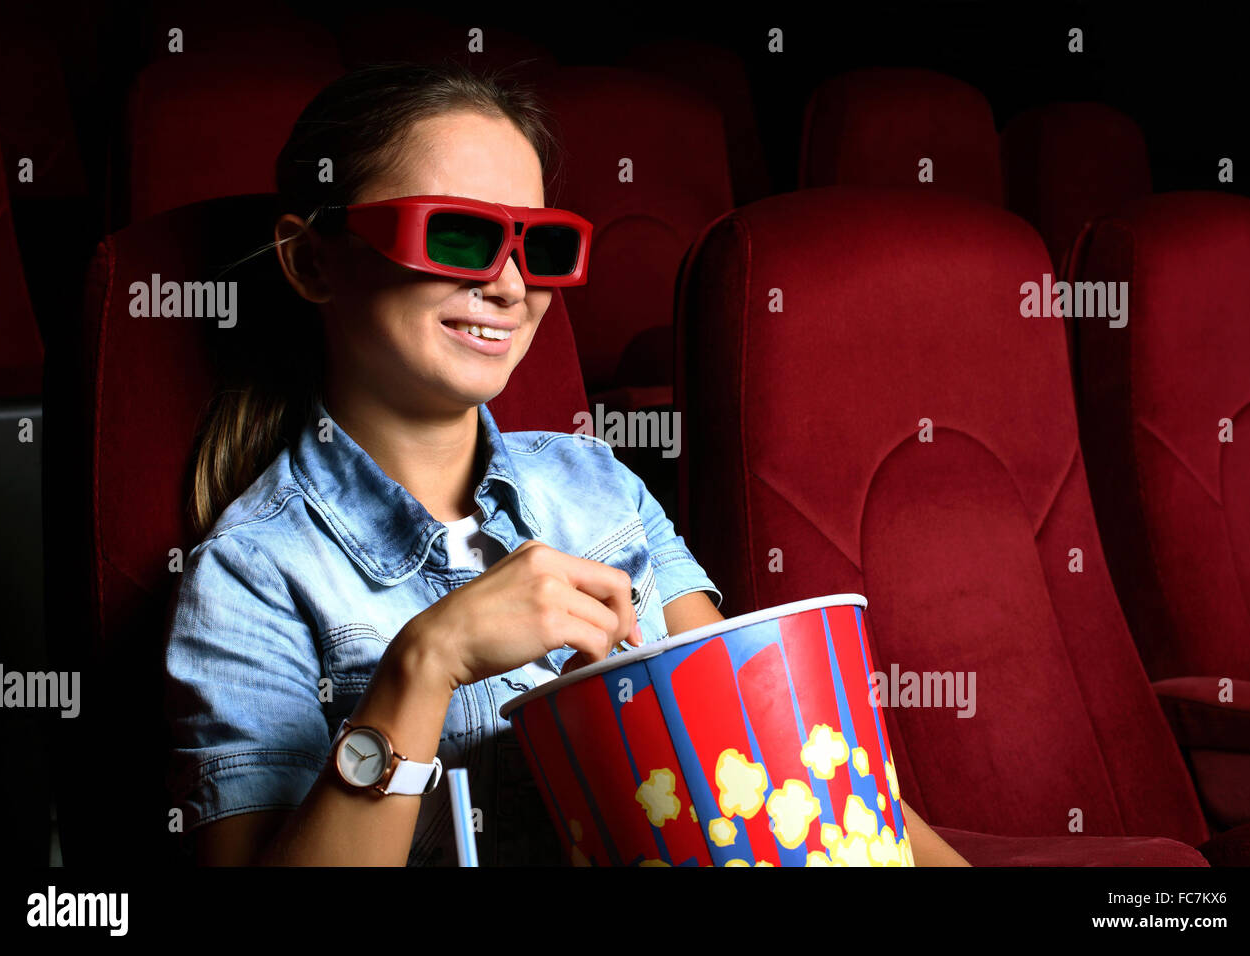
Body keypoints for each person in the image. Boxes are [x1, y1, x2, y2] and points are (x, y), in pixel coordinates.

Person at [163, 60, 969, 867]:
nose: (510, 285)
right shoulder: (251, 574)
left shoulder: (598, 486)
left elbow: (784, 761)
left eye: (540, 246)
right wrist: (426, 662)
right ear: (311, 262)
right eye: (456, 233)